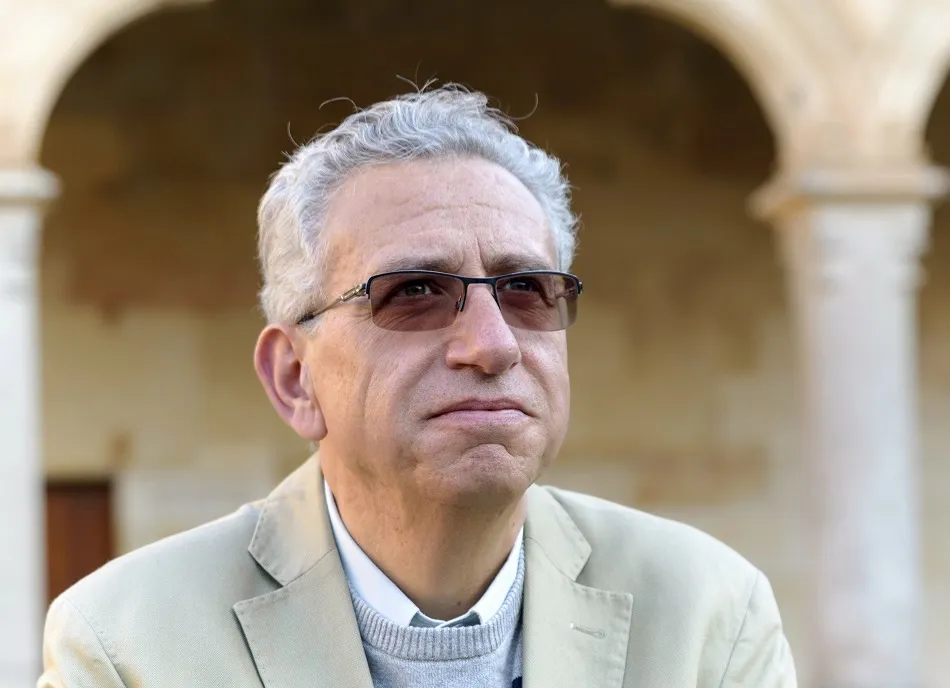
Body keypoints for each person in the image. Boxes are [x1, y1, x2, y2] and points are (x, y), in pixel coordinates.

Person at [39, 85, 796, 687]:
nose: (492, 344)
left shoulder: (707, 616)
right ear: (295, 378)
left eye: (527, 288)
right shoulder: (130, 646)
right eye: (414, 294)